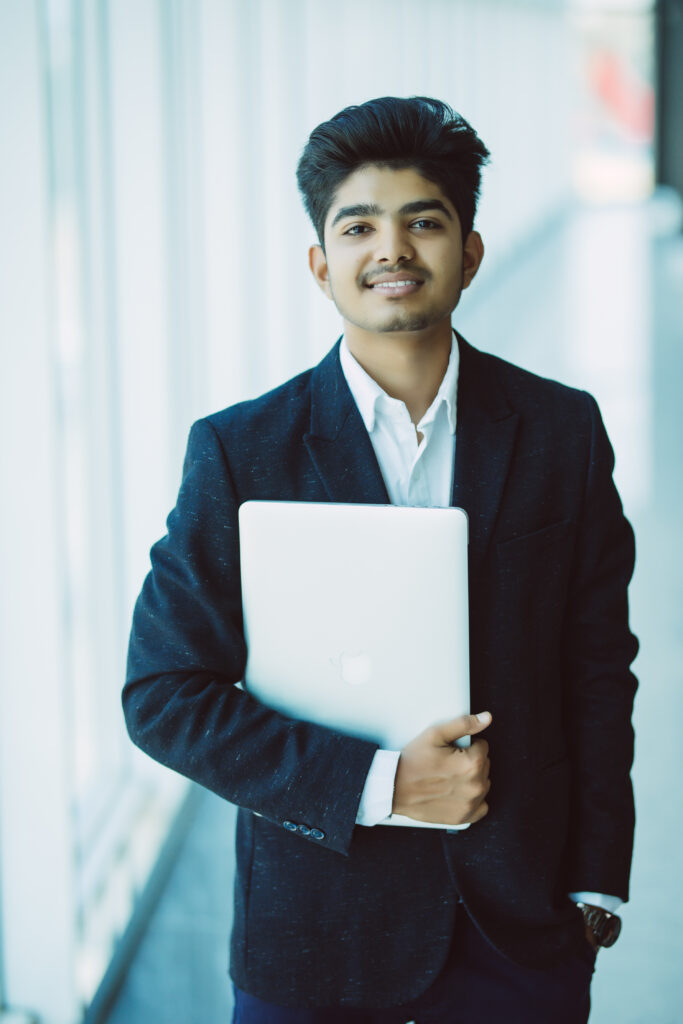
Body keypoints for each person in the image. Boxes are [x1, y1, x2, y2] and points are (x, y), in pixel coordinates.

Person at [123, 97, 638, 1023]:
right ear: (322, 266)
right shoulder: (244, 451)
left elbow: (597, 666)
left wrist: (595, 880)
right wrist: (381, 783)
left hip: (519, 925)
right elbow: (162, 694)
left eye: (423, 222)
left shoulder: (562, 430)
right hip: (315, 930)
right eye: (358, 226)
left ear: (469, 253)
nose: (391, 249)